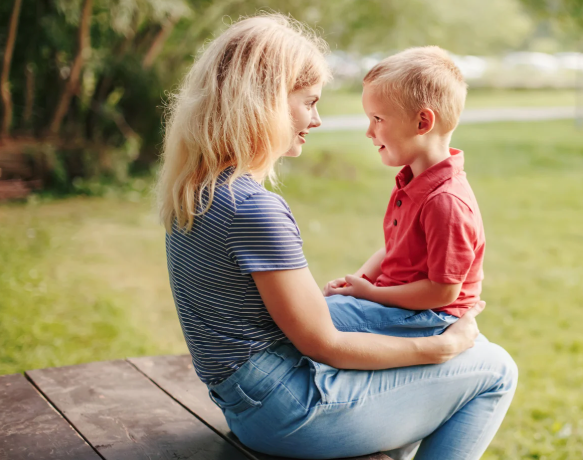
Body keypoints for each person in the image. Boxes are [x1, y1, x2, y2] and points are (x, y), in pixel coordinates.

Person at [157, 14, 517, 460]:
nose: (318, 119)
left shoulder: (195, 189)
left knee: (392, 357)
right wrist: (440, 347)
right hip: (287, 413)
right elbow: (323, 343)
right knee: (498, 369)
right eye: (309, 102)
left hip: (246, 402)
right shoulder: (253, 208)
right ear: (265, 102)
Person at [322, 47, 485, 340]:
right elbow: (395, 248)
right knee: (312, 312)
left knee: (311, 321)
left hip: (432, 317)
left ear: (422, 123)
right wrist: (359, 280)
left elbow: (444, 291)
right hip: (399, 303)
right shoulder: (415, 182)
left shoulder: (445, 201)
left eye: (378, 119)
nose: (369, 132)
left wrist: (372, 294)